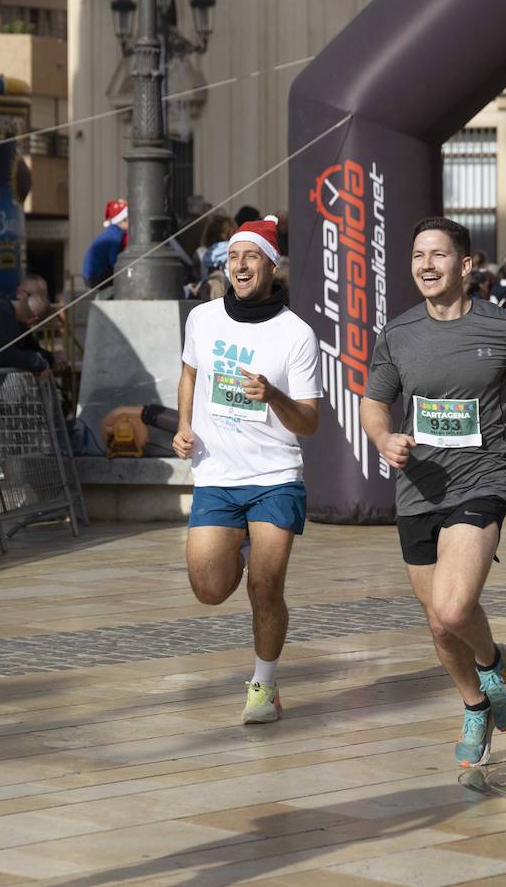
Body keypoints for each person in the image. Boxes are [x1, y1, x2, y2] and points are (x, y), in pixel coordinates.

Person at [360, 217, 506, 768]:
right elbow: (374, 403)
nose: (426, 266)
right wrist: (383, 438)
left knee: (452, 608)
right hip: (417, 488)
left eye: (439, 256)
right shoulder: (397, 334)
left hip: (483, 478)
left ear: (466, 265)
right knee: (436, 621)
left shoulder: (505, 327)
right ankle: (476, 704)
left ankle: (495, 662)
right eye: (418, 256)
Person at [171, 216, 322, 725]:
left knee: (265, 587)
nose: (239, 265)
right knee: (209, 588)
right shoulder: (203, 319)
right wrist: (183, 424)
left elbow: (310, 422)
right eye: (234, 256)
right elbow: (190, 372)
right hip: (216, 473)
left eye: (251, 257)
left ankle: (264, 683)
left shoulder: (296, 334)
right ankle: (237, 543)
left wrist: (273, 394)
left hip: (275, 475)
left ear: (270, 266)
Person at [81, 199, 128, 288]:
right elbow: (114, 261)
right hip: (97, 277)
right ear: (123, 220)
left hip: (89, 276)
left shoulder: (111, 231)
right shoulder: (116, 236)